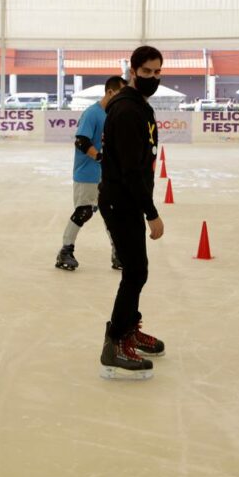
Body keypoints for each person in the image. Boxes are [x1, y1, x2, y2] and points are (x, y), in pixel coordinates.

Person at [97, 46, 166, 380]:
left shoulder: (139, 106)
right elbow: (129, 170)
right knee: (135, 272)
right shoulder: (127, 110)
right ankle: (115, 344)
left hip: (128, 200)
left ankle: (129, 330)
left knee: (138, 270)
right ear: (133, 70)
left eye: (158, 72)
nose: (153, 78)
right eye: (148, 72)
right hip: (120, 201)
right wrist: (151, 212)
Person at [56, 76, 126, 271]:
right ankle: (65, 250)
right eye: (120, 94)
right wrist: (100, 157)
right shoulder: (92, 114)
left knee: (111, 214)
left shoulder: (115, 115)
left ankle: (118, 253)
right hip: (87, 173)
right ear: (110, 92)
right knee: (84, 212)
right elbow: (81, 141)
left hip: (108, 176)